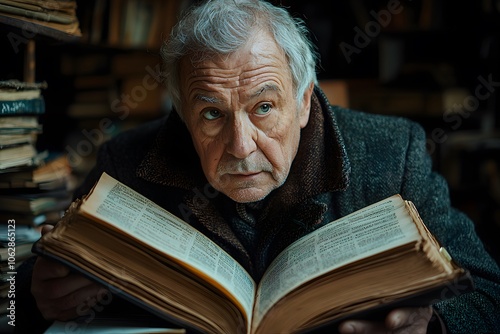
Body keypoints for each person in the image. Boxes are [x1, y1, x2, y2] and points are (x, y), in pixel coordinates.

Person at [17, 0, 500, 333]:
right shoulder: (125, 163)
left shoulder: (394, 153)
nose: (240, 146)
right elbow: (18, 305)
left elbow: (490, 296)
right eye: (211, 114)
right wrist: (34, 300)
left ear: (305, 100)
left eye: (264, 107)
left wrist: (433, 324)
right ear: (185, 114)